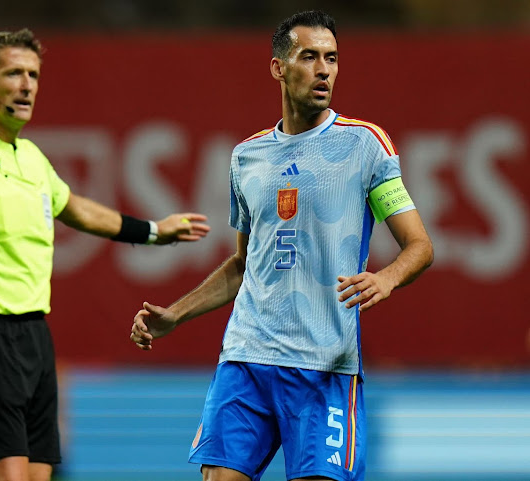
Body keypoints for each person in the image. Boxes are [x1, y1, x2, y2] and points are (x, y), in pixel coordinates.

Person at [129, 10, 433, 481]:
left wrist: (387, 277)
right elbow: (244, 264)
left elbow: (419, 246)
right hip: (247, 360)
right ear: (278, 67)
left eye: (331, 58)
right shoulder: (247, 157)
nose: (323, 69)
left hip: (325, 367)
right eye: (309, 57)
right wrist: (176, 313)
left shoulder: (366, 146)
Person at [0, 29, 210, 481]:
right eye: (13, 73)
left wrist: (153, 231)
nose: (27, 85)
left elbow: (76, 208)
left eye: (34, 75)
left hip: (34, 335)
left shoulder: (31, 157)